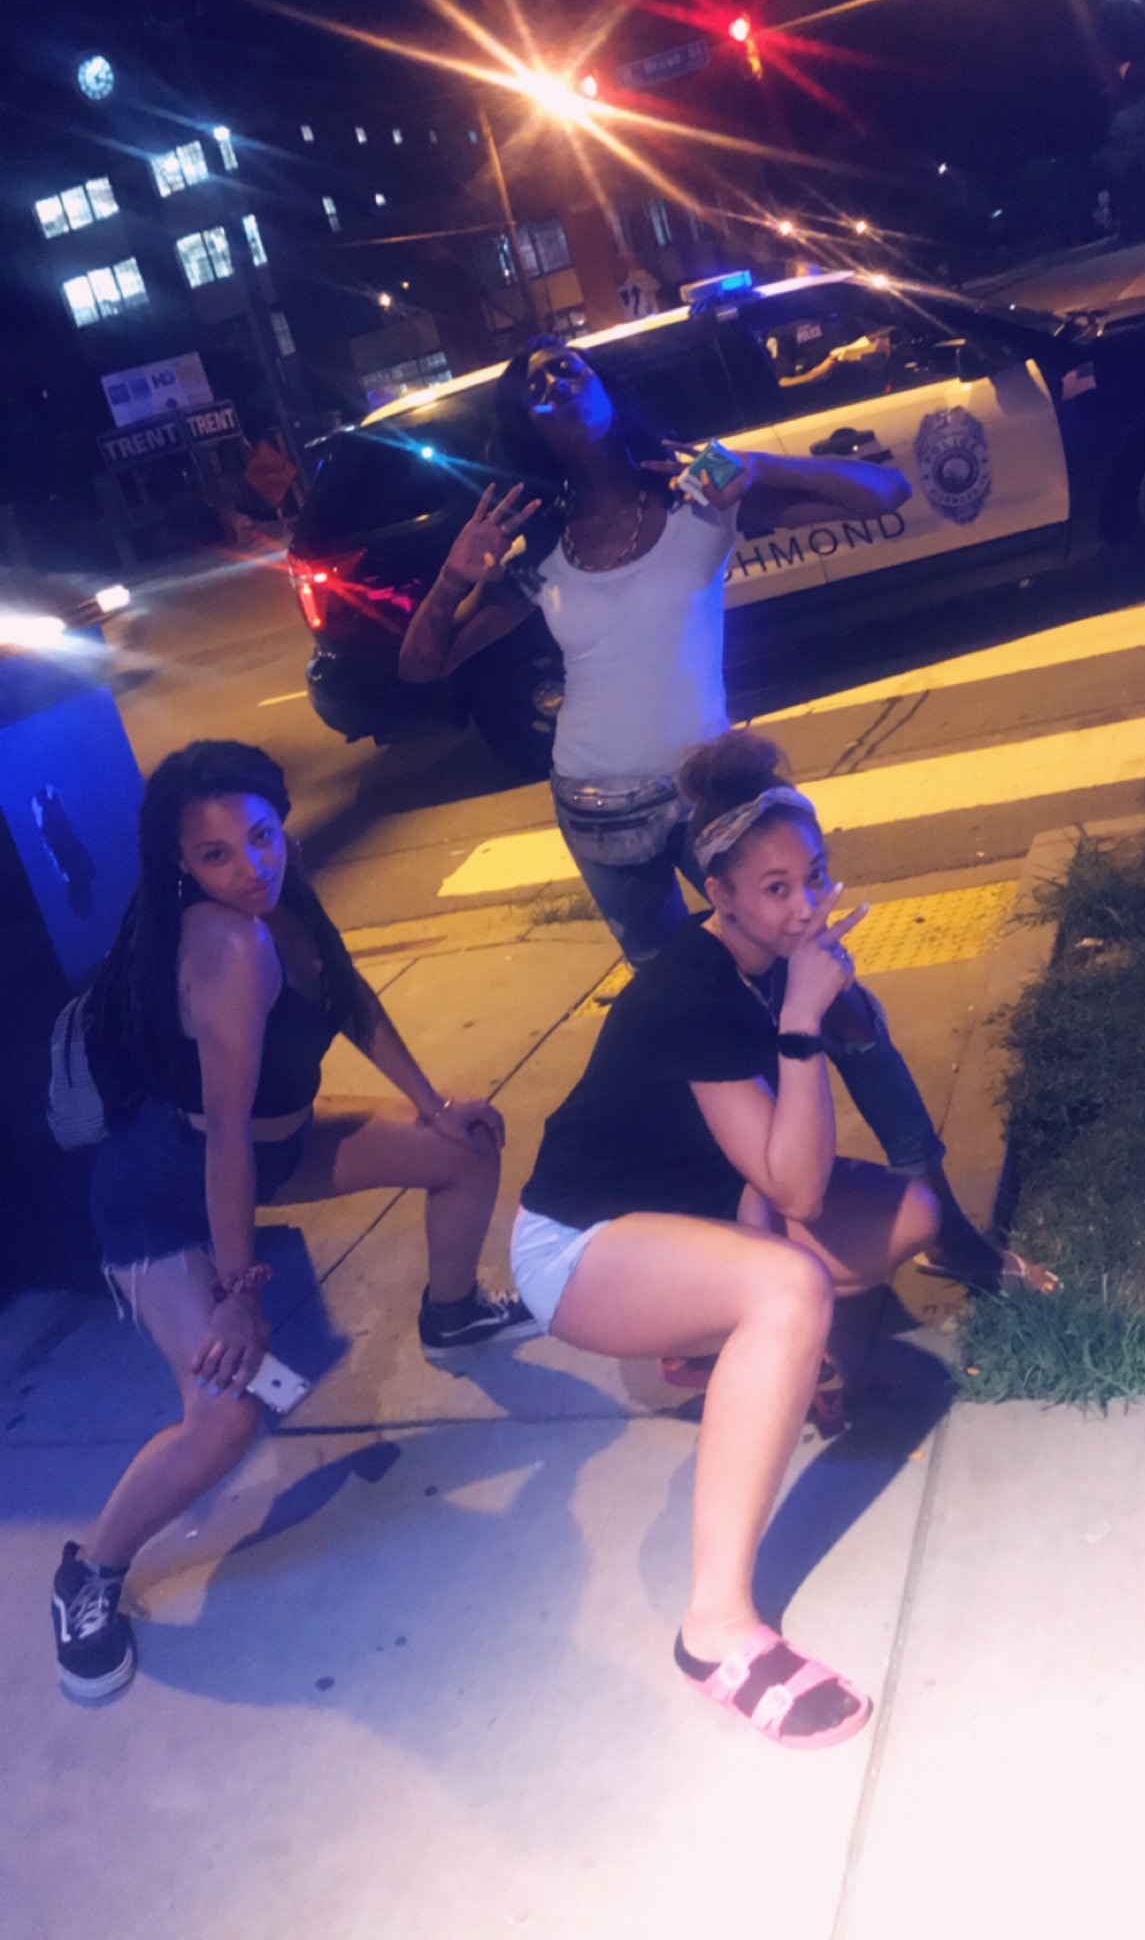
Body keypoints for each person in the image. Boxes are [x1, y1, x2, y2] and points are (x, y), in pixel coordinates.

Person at [398, 337, 1055, 1299]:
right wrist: (457, 577)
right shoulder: (541, 548)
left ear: (603, 385)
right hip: (597, 818)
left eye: (567, 365)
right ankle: (757, 1241)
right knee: (699, 1027)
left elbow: (883, 494)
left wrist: (758, 466)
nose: (555, 382)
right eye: (533, 385)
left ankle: (945, 1223)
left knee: (839, 1001)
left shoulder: (696, 494)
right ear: (525, 425)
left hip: (713, 805)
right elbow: (420, 665)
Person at [52, 739, 527, 1703]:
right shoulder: (225, 945)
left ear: (283, 826)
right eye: (216, 854)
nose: (250, 867)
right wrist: (238, 1295)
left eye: (261, 836)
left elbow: (347, 996)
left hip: (275, 1148)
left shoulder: (284, 893)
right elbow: (225, 1137)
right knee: (225, 1416)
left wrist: (432, 1104)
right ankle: (90, 1573)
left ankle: (452, 1312)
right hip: (165, 1190)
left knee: (464, 1149)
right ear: (179, 863)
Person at [510, 732, 941, 1751]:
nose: (805, 906)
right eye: (777, 889)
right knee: (789, 1290)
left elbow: (784, 1158)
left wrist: (831, 1004)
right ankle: (715, 1633)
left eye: (816, 876)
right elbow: (796, 1182)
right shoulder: (692, 989)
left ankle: (735, 1349)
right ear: (721, 896)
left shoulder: (781, 967)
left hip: (692, 1214)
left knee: (910, 1216)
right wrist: (801, 1024)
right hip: (580, 1247)